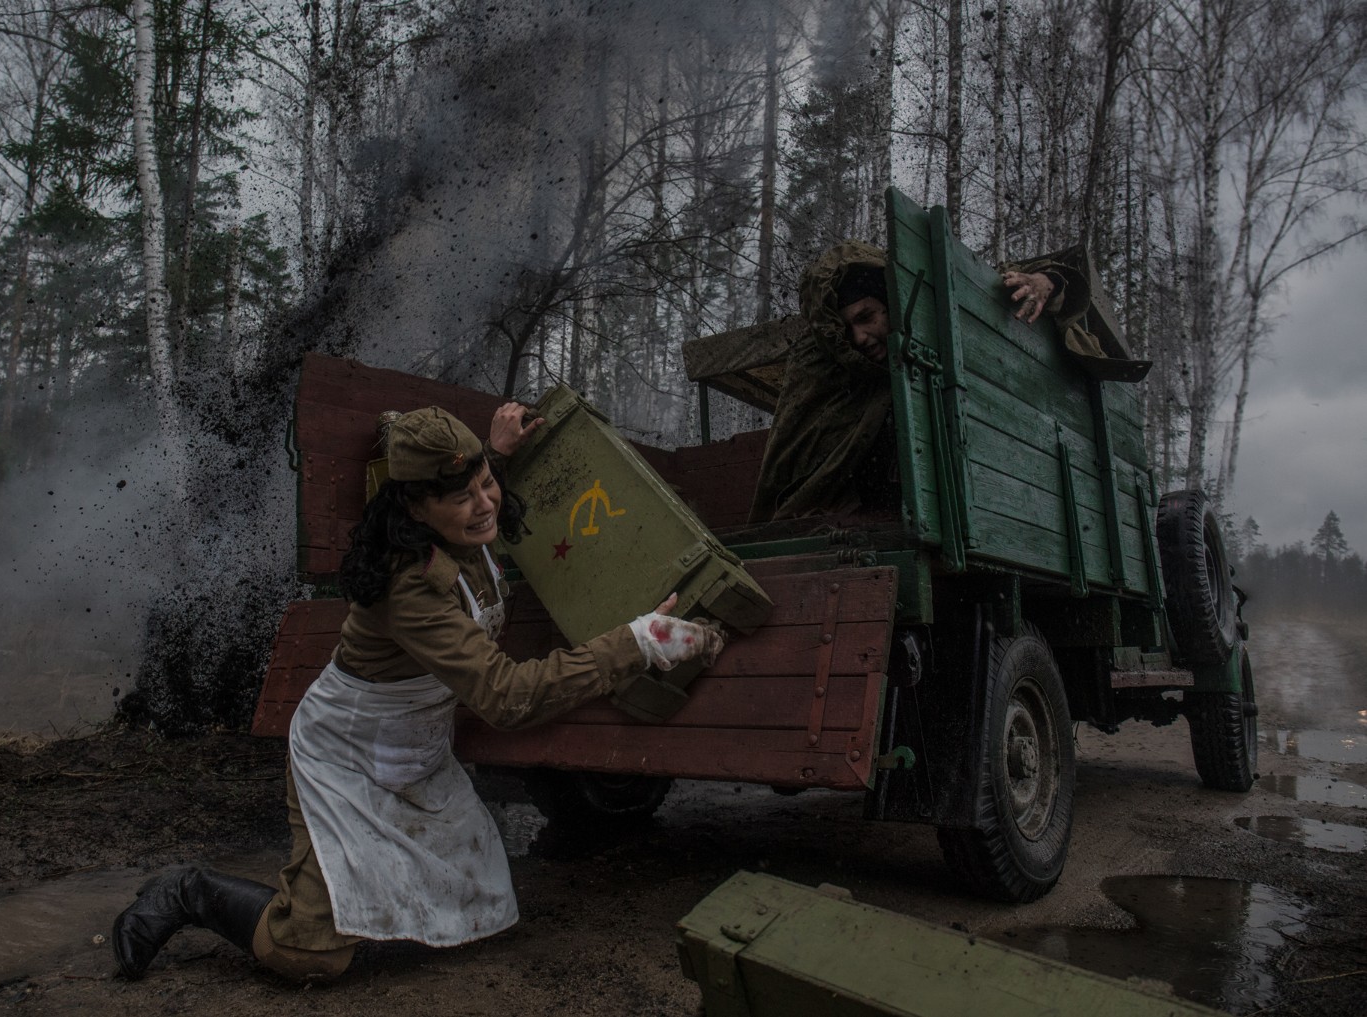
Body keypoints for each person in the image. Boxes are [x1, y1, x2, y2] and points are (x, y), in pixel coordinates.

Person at [111, 404, 724, 981]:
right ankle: (189, 890)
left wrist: (493, 453)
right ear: (414, 509)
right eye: (463, 496)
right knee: (309, 955)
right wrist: (636, 644)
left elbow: (466, 485)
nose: (485, 504)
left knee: (474, 914)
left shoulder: (460, 515)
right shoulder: (408, 584)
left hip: (414, 752)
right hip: (343, 758)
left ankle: (342, 888)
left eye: (488, 483)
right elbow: (506, 697)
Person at [748, 241, 1090, 523]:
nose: (861, 338)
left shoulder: (946, 322)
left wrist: (1047, 282)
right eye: (846, 331)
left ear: (891, 300)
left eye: (866, 317)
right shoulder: (828, 371)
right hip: (866, 526)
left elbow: (1007, 291)